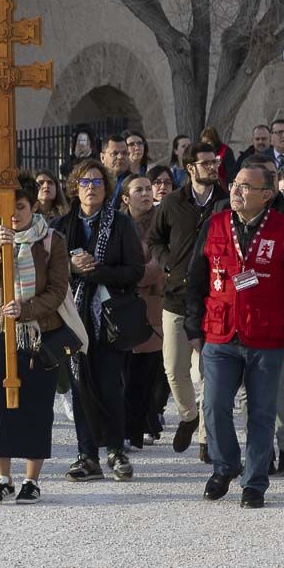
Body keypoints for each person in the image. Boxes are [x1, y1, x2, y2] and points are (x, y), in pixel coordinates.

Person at [185, 166, 284, 508]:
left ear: (266, 194)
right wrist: (193, 324)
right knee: (213, 405)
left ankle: (254, 483)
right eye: (235, 185)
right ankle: (225, 464)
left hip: (266, 336)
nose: (237, 191)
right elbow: (196, 276)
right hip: (220, 332)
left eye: (246, 186)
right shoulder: (215, 224)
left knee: (260, 413)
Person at [0, 174, 70, 505]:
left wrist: (26, 309)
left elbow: (57, 290)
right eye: (8, 208)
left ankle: (31, 479)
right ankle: (2, 478)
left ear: (33, 206)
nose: (14, 215)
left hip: (40, 331)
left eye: (22, 207)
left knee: (36, 404)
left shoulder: (52, 240)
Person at [54, 159, 144, 481]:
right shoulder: (62, 226)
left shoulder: (120, 224)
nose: (91, 188)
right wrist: (70, 267)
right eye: (84, 182)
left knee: (107, 385)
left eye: (97, 182)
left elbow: (135, 271)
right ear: (74, 188)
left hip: (108, 319)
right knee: (80, 386)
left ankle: (116, 451)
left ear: (106, 188)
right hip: (72, 317)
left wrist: (97, 271)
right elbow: (49, 270)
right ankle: (86, 455)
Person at [146, 142, 221, 462]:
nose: (212, 167)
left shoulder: (226, 201)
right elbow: (154, 238)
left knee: (208, 372)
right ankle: (189, 417)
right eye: (205, 163)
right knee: (174, 369)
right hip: (176, 296)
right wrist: (167, 263)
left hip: (214, 298)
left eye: (214, 162)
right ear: (190, 168)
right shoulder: (173, 202)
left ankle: (207, 436)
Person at [119, 173, 165, 449]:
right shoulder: (117, 225)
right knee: (123, 374)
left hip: (151, 305)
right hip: (121, 306)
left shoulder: (162, 223)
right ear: (126, 198)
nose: (147, 193)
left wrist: (124, 275)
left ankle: (134, 430)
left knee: (144, 373)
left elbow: (158, 265)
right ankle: (131, 425)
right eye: (139, 189)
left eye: (149, 188)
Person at [100, 134, 133, 209]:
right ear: (102, 158)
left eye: (124, 153)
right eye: (114, 154)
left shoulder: (134, 182)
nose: (120, 157)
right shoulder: (94, 181)